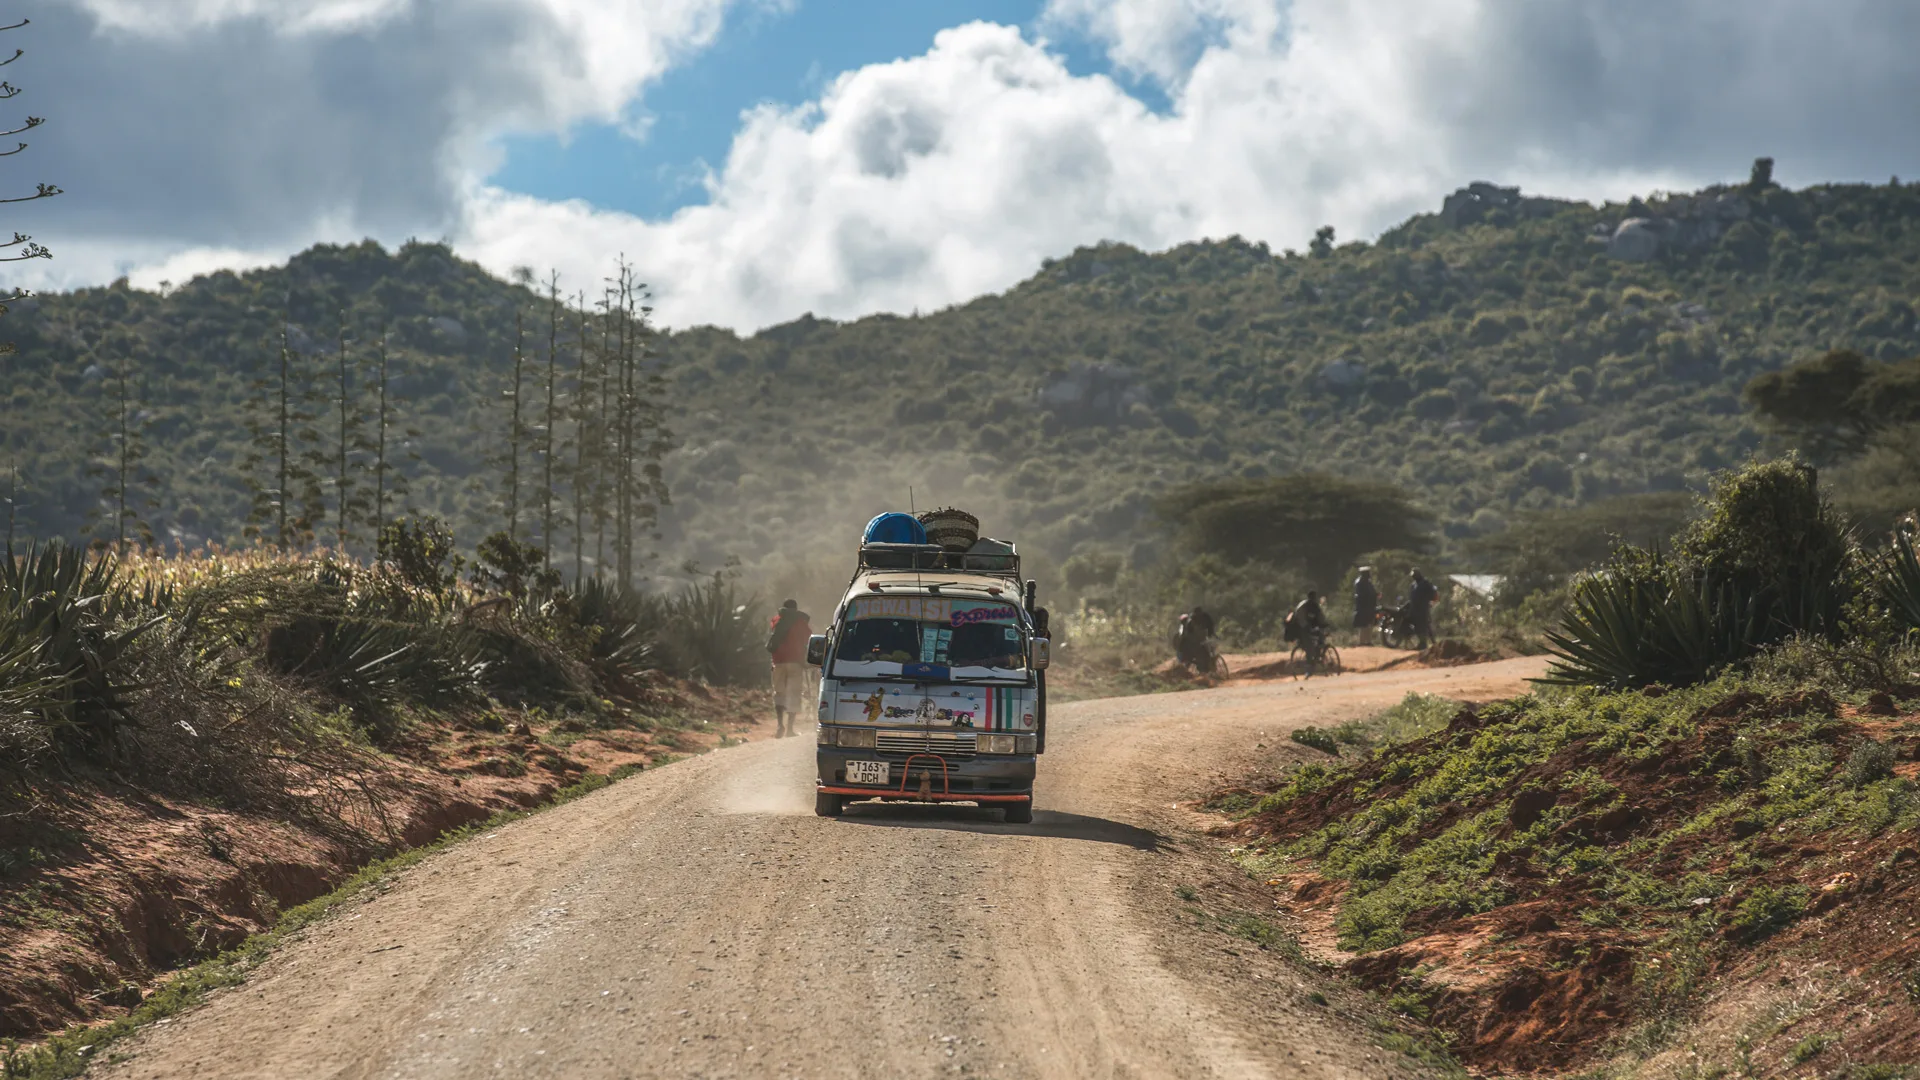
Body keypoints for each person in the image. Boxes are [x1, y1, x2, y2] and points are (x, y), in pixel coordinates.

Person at [766, 599, 813, 738]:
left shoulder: (777, 620)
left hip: (778, 662)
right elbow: (808, 640)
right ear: (796, 609)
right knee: (793, 695)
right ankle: (790, 730)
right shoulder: (800, 622)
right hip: (795, 663)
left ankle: (780, 725)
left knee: (779, 693)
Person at [1407, 569, 1438, 649]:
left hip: (1423, 608)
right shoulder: (1413, 585)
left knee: (1424, 626)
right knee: (1417, 627)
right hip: (1414, 609)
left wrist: (1431, 602)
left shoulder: (1425, 583)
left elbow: (1433, 593)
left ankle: (1429, 644)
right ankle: (1422, 643)